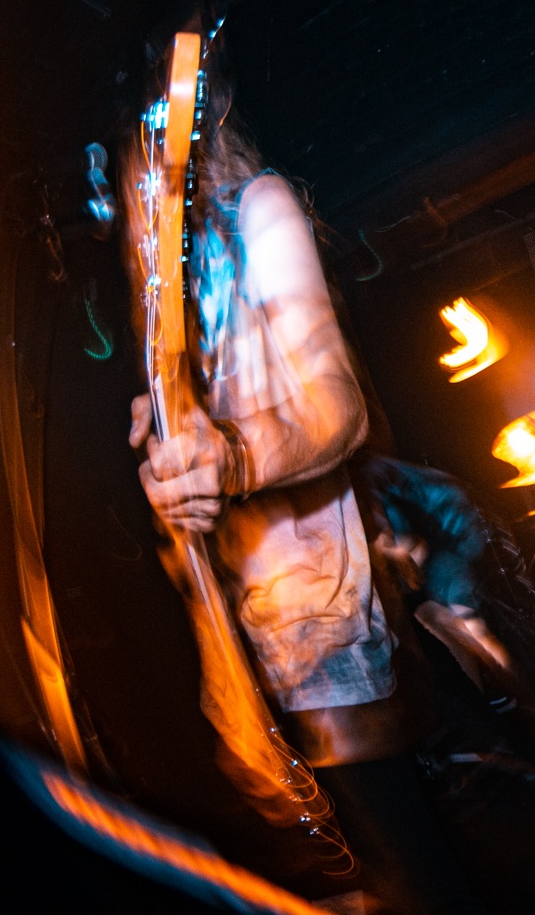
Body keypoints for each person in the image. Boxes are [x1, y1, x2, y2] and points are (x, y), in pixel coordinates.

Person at [127, 57, 483, 915]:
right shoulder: (164, 272)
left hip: (327, 632)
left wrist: (232, 456)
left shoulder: (259, 207)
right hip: (254, 644)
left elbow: (337, 406)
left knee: (420, 877)